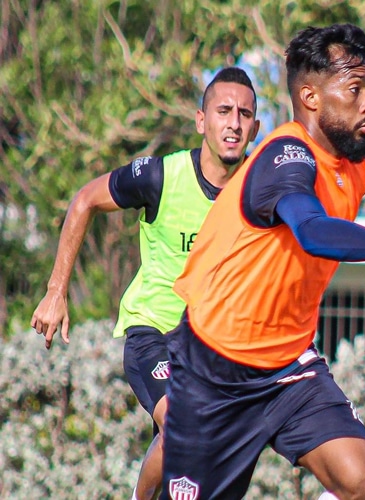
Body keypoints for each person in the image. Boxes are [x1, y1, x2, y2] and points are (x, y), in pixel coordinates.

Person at [160, 23, 365, 500]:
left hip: (289, 365)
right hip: (214, 369)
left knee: (361, 481)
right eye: (354, 90)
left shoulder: (355, 170)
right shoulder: (285, 156)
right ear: (310, 97)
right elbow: (313, 232)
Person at [30, 67, 260, 500]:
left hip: (217, 350)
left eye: (244, 114)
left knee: (204, 465)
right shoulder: (161, 176)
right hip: (155, 333)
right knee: (182, 422)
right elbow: (84, 200)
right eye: (223, 111)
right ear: (201, 120)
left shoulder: (260, 189)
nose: (234, 123)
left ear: (256, 127)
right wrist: (56, 291)